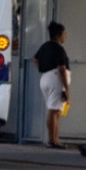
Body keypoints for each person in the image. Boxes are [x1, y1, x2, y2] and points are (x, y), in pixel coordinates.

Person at [32, 21, 71, 149]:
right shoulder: (58, 48)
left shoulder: (45, 46)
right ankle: (52, 140)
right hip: (56, 79)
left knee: (55, 110)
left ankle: (55, 138)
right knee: (54, 110)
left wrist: (42, 68)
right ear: (59, 35)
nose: (66, 36)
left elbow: (35, 59)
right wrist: (66, 87)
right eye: (64, 33)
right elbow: (61, 68)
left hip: (45, 78)